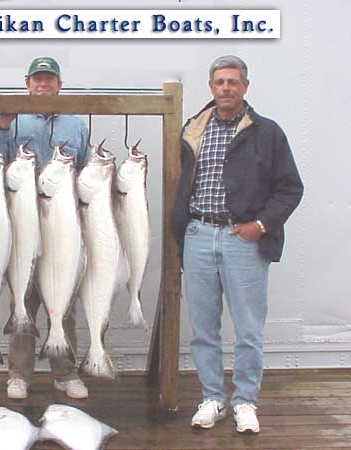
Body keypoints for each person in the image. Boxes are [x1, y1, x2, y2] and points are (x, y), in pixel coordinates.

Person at [172, 55, 303, 434]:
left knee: (248, 328)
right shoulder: (194, 129)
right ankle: (213, 397)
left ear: (246, 86)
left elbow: (290, 188)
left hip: (241, 239)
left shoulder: (267, 132)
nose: (225, 88)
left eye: (233, 82)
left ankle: (245, 401)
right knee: (203, 328)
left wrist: (260, 224)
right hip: (198, 235)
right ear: (210, 87)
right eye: (219, 82)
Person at [0, 56, 90, 400]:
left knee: (65, 302)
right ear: (27, 83)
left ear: (60, 85)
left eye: (50, 79)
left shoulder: (77, 125)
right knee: (23, 301)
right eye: (38, 79)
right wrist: (2, 125)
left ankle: (66, 373)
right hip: (23, 224)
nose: (44, 84)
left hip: (62, 227)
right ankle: (19, 374)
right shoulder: (12, 122)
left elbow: (86, 171)